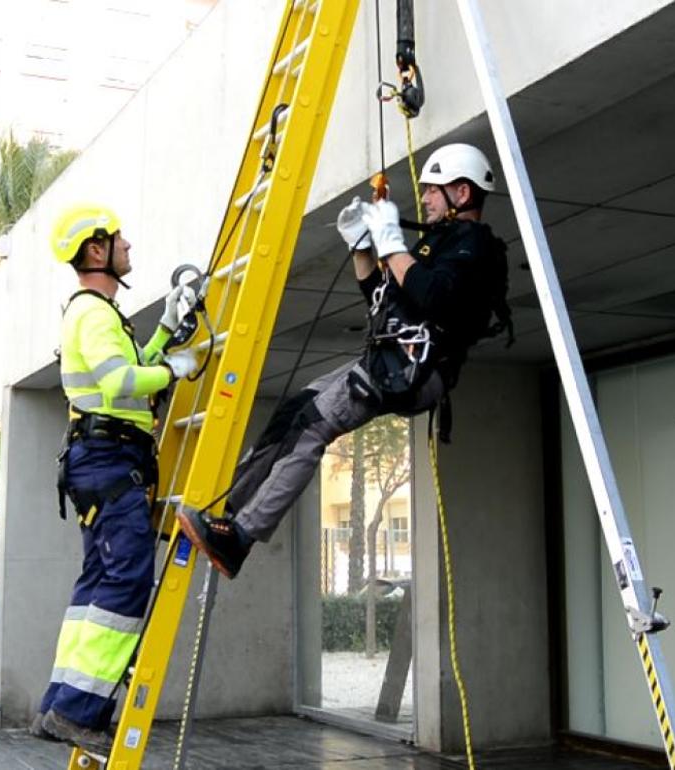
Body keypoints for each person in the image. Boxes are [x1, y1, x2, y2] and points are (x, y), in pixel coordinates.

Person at [179, 143, 512, 579]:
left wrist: (392, 244)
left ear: (462, 193)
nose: (426, 198)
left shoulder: (476, 247)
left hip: (417, 367)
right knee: (295, 409)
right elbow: (381, 296)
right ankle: (231, 509)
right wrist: (362, 248)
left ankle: (239, 539)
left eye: (434, 190)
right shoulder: (438, 243)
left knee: (313, 425)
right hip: (392, 358)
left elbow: (435, 297)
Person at [32, 203, 197, 754]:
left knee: (95, 586)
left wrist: (169, 331)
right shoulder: (94, 314)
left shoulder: (96, 314)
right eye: (120, 241)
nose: (129, 248)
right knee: (126, 580)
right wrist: (174, 369)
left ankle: (61, 704)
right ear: (97, 251)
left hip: (98, 460)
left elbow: (131, 368)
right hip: (107, 460)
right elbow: (122, 380)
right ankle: (78, 711)